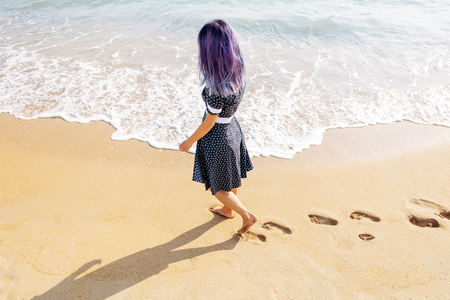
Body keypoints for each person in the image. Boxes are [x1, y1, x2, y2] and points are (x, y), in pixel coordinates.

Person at [179, 20, 257, 235]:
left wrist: (189, 141)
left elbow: (209, 123)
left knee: (218, 188)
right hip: (233, 129)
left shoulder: (215, 88)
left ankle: (246, 215)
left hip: (218, 137)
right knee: (230, 176)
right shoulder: (238, 71)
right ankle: (227, 210)